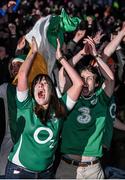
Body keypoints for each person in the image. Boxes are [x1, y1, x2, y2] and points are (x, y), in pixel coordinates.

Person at [5, 37, 83, 179]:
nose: (40, 85)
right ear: (32, 91)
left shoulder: (60, 107)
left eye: (45, 83)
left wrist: (61, 59)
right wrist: (33, 53)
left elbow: (78, 84)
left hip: (46, 173)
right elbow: (22, 75)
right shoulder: (25, 105)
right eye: (37, 84)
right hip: (19, 171)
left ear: (51, 90)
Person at [56, 36, 115, 179]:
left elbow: (110, 79)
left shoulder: (101, 99)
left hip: (93, 169)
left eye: (89, 78)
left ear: (96, 84)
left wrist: (95, 54)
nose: (84, 82)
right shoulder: (70, 97)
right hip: (67, 167)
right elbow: (63, 73)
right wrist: (82, 53)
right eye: (81, 78)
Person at [0, 56, 24, 178]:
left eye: (18, 65)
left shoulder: (38, 88)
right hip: (10, 143)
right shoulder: (6, 88)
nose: (15, 69)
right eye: (12, 67)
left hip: (31, 145)